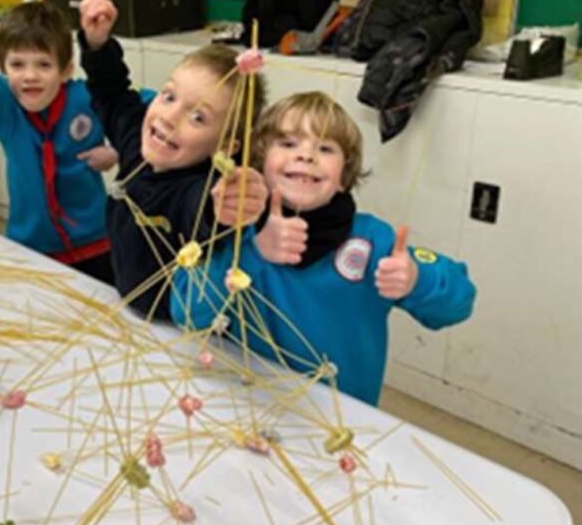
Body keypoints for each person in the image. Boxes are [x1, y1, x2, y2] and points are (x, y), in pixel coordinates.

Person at [171, 91, 476, 405]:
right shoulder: (237, 232)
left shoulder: (373, 241)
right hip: (246, 405)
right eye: (288, 143)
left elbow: (457, 304)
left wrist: (416, 280)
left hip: (340, 419)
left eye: (326, 148)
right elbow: (187, 314)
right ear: (260, 164)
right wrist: (255, 253)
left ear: (344, 176)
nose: (306, 155)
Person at [78, 0, 268, 320]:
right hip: (125, 307)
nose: (169, 117)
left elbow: (204, 209)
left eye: (198, 117)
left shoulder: (197, 187)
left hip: (178, 332)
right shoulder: (137, 142)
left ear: (226, 147)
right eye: (168, 96)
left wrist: (226, 205)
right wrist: (97, 45)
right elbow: (112, 92)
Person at [0, 1, 115, 283]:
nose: (30, 76)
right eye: (17, 64)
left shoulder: (85, 99)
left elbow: (143, 116)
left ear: (66, 70)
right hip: (32, 249)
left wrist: (117, 153)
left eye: (43, 64)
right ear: (4, 69)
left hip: (97, 243)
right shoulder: (8, 110)